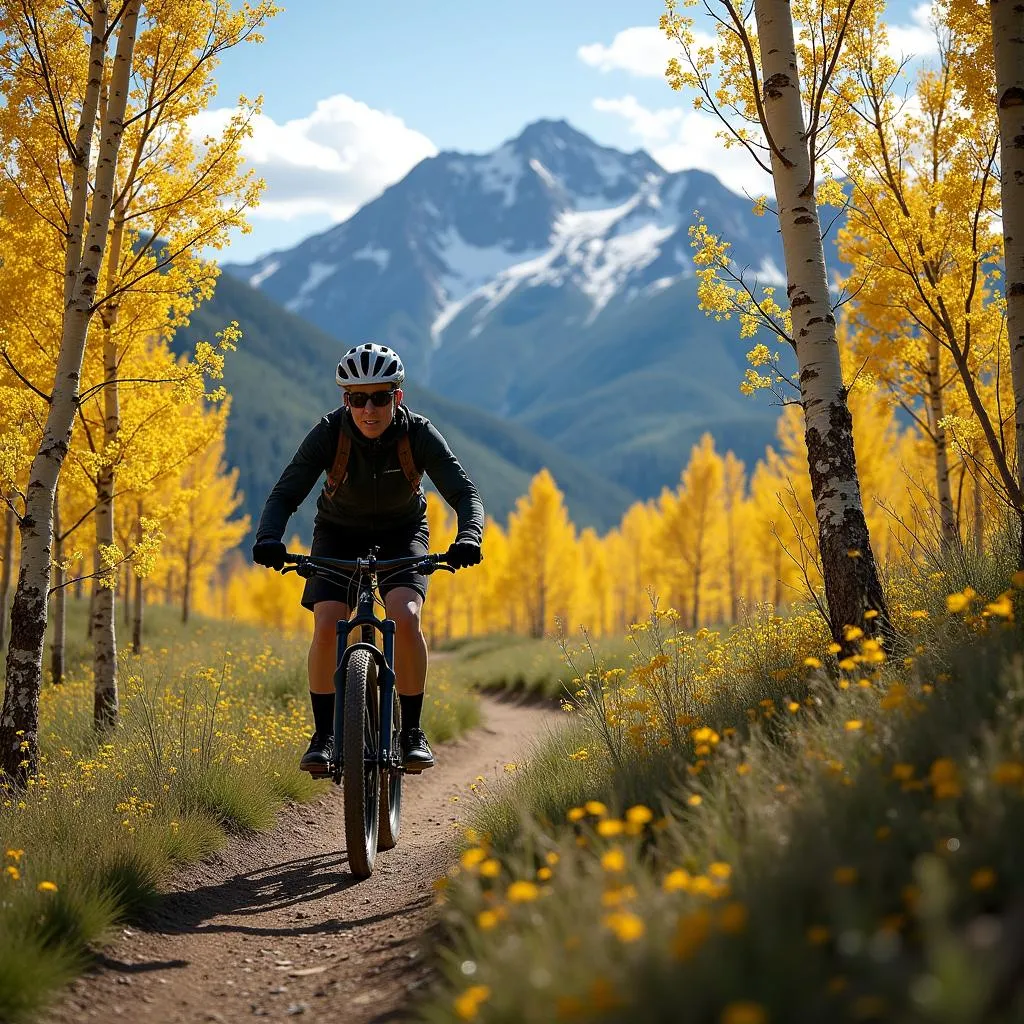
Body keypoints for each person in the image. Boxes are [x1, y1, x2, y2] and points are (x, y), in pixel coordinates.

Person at [251, 342, 484, 776]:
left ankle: (411, 732)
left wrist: (469, 535)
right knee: (327, 622)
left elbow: (464, 493)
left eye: (379, 397)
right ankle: (323, 736)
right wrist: (269, 537)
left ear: (397, 397)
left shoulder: (418, 434)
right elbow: (286, 492)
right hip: (337, 534)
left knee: (406, 616)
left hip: (403, 533)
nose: (369, 409)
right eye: (358, 398)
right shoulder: (329, 433)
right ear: (346, 400)